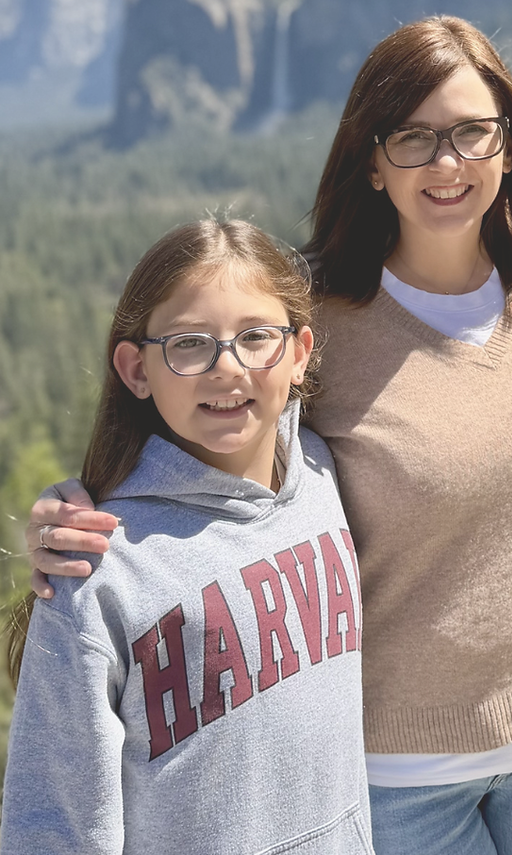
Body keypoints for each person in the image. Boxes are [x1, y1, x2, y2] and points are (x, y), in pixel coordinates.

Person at [24, 17, 512, 855]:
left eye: (471, 133)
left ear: (510, 145)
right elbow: (210, 425)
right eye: (413, 138)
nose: (446, 162)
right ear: (372, 161)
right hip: (399, 780)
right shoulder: (313, 321)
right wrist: (83, 506)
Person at [3, 220, 373, 855]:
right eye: (189, 345)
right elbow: (55, 822)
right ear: (136, 368)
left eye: (257, 337)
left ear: (300, 352)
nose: (226, 368)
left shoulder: (321, 472)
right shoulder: (96, 567)